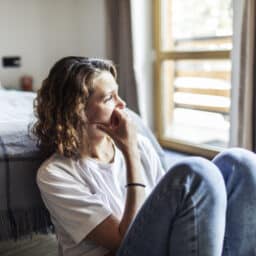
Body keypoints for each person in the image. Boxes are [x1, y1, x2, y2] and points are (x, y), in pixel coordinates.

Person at [33, 56, 256, 256]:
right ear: (78, 110)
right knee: (196, 172)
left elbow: (170, 208)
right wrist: (130, 153)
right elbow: (122, 241)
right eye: (110, 98)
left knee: (240, 162)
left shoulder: (140, 144)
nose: (122, 104)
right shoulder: (54, 174)